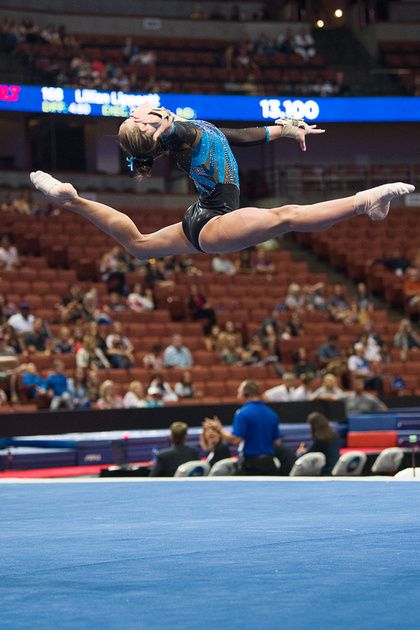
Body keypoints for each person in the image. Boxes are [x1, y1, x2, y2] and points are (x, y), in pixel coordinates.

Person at [30, 102, 414, 262]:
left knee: (140, 246)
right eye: (134, 115)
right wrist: (165, 124)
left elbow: (234, 136)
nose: (136, 109)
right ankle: (367, 200)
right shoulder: (177, 133)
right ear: (149, 127)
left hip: (202, 215)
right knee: (287, 216)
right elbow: (177, 131)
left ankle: (72, 200)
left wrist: (283, 129)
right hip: (213, 220)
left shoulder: (191, 132)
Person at [205, 380, 282, 475]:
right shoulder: (272, 414)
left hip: (251, 466)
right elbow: (277, 442)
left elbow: (235, 440)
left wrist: (220, 429)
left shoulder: (242, 413)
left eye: (239, 392)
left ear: (246, 394)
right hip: (269, 464)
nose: (238, 395)